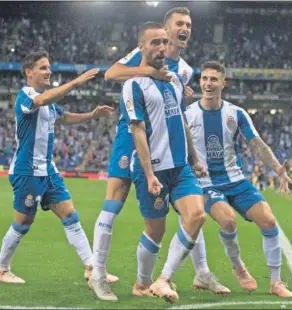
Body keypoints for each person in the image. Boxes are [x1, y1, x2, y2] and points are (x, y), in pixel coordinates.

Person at [90, 7, 228, 301]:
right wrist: (150, 71)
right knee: (113, 204)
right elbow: (112, 74)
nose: (184, 28)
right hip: (131, 138)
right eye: (179, 23)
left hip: (169, 150)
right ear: (165, 29)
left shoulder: (185, 72)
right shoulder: (144, 58)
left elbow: (175, 109)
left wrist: (192, 155)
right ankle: (97, 272)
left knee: (190, 214)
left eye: (188, 24)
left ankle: (198, 271)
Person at [0, 51, 114, 284]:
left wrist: (92, 115)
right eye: (43, 68)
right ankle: (1, 269)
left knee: (70, 215)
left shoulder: (49, 103)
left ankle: (92, 268)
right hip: (27, 171)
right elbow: (40, 101)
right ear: (29, 73)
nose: (49, 71)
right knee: (23, 223)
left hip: (48, 169)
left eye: (49, 67)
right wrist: (76, 82)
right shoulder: (26, 95)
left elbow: (64, 117)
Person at [108, 22, 208, 304]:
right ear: (141, 46)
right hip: (151, 170)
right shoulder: (133, 85)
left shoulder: (175, 81)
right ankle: (142, 283)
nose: (162, 47)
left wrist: (195, 158)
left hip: (180, 167)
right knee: (156, 230)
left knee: (197, 216)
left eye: (164, 42)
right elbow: (137, 130)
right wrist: (150, 174)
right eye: (155, 42)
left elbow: (182, 122)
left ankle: (163, 278)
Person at [184, 61, 292, 298]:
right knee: (228, 221)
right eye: (204, 79)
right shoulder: (189, 114)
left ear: (223, 83)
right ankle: (238, 266)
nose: (208, 83)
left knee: (268, 220)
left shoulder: (236, 113)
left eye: (214, 79)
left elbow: (257, 145)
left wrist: (278, 169)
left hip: (235, 179)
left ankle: (276, 283)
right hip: (205, 183)